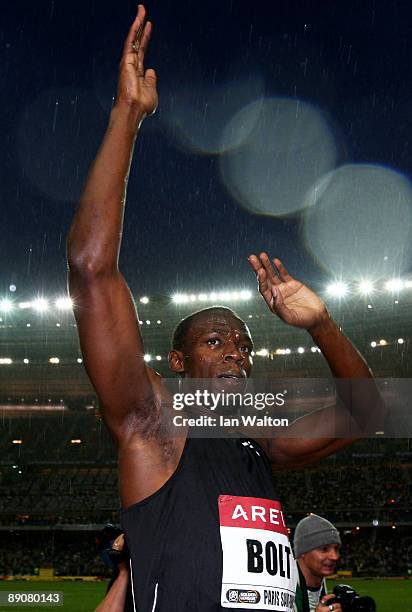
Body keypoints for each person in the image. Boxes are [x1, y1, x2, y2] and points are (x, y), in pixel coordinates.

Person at [67, 6, 381, 610]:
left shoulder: (257, 440)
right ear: (177, 361)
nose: (237, 352)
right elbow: (90, 268)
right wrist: (127, 116)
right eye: (216, 342)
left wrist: (319, 323)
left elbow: (366, 413)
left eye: (243, 344)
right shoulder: (152, 422)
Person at [293, 515, 342, 612]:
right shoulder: (283, 590)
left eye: (336, 548)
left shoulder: (320, 581)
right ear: (303, 552)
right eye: (324, 549)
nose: (335, 556)